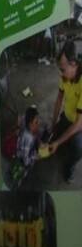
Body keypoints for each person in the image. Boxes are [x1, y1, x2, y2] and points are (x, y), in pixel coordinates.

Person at [49, 41, 82, 183]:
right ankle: (62, 141)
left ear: (74, 64)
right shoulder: (65, 77)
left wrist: (58, 142)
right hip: (67, 117)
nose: (61, 73)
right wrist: (53, 122)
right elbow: (59, 99)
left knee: (78, 148)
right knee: (53, 138)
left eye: (63, 69)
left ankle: (69, 167)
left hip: (79, 125)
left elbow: (79, 124)